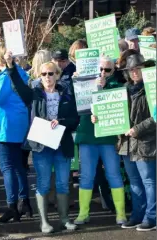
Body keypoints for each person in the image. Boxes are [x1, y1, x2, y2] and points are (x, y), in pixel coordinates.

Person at [24, 61, 79, 232]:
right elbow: (18, 86)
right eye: (43, 74)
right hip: (42, 145)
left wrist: (61, 121)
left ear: (57, 74)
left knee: (63, 183)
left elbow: (75, 119)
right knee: (44, 183)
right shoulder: (34, 94)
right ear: (39, 76)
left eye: (51, 73)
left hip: (62, 144)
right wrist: (11, 67)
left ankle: (64, 219)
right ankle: (44, 222)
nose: (47, 77)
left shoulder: (67, 94)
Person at [74, 56, 126, 226]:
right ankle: (83, 213)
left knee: (113, 174)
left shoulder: (117, 87)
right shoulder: (83, 82)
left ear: (113, 71)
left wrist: (101, 89)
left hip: (107, 138)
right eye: (100, 69)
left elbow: (116, 110)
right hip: (87, 136)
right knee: (86, 176)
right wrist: (75, 81)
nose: (103, 72)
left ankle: (121, 213)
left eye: (107, 70)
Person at [0, 44, 32, 223]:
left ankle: (11, 206)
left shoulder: (4, 77)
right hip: (20, 124)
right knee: (18, 167)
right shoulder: (21, 73)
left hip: (5, 127)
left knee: (7, 168)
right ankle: (25, 203)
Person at [116, 53, 156, 231]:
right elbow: (113, 113)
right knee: (134, 182)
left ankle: (151, 216)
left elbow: (155, 117)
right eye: (131, 69)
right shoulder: (123, 89)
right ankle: (137, 215)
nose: (134, 72)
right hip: (127, 144)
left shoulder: (152, 89)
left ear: (145, 68)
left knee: (149, 181)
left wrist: (137, 129)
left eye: (138, 68)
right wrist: (97, 118)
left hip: (146, 142)